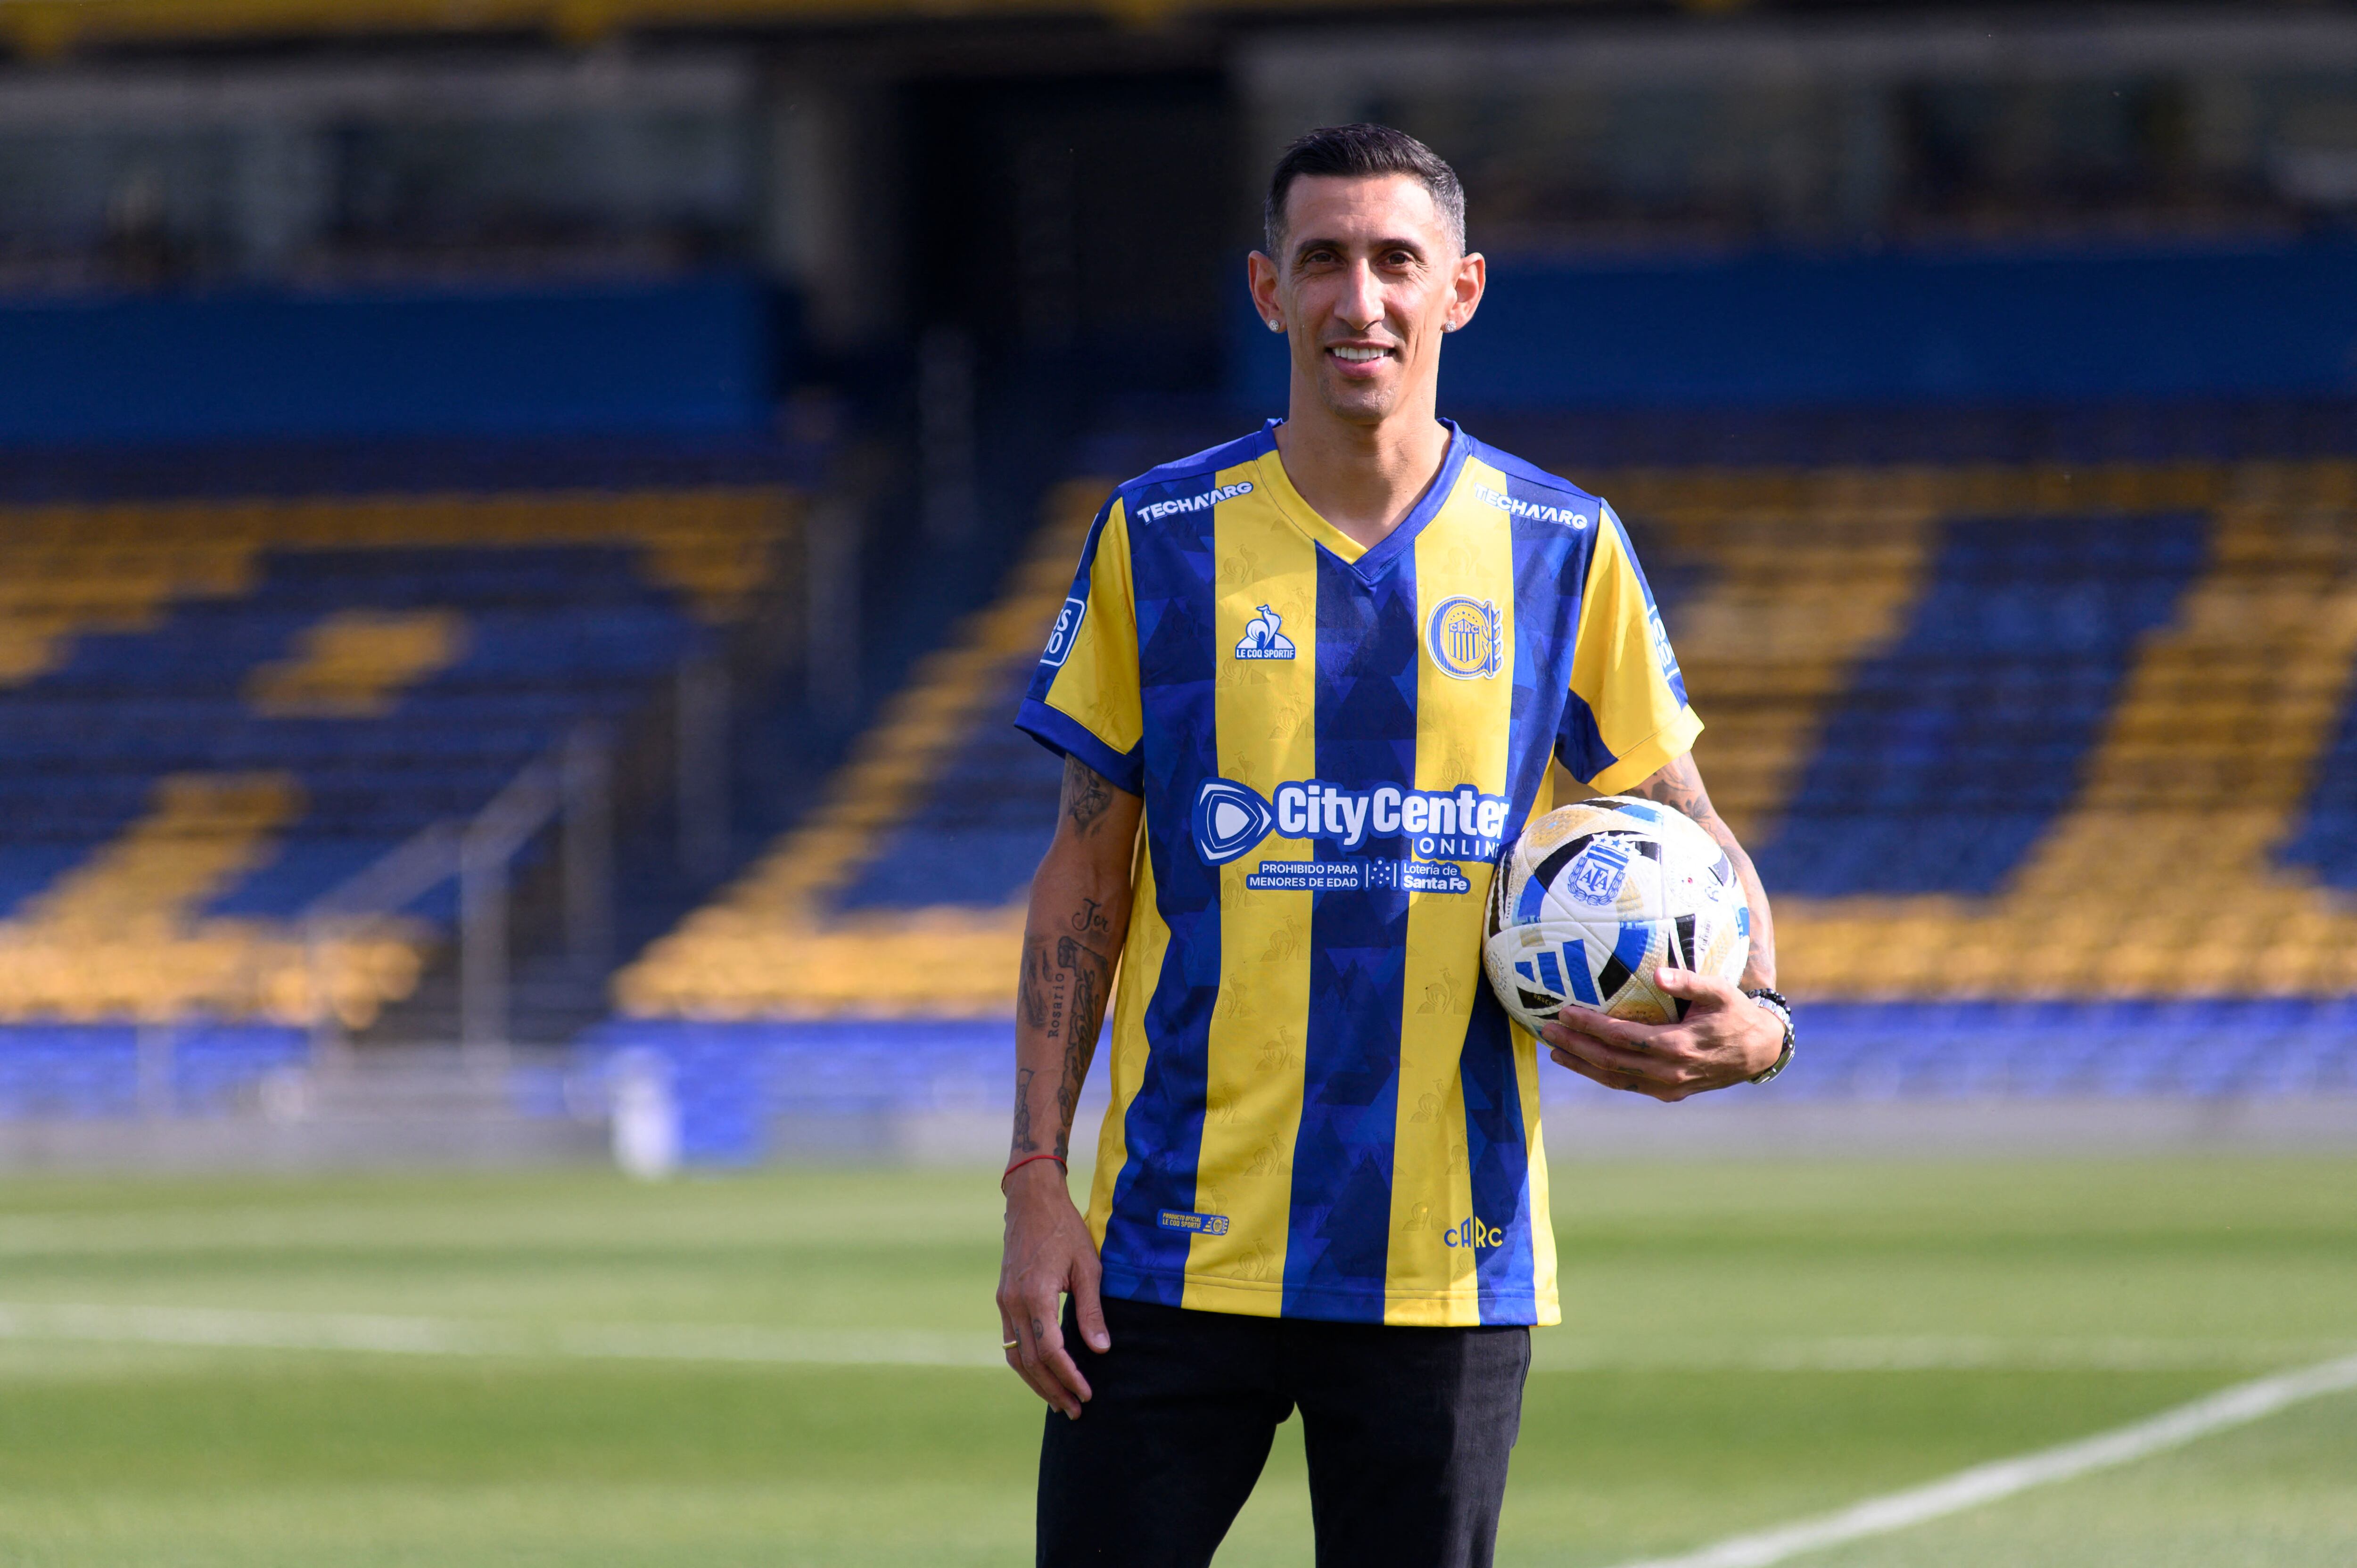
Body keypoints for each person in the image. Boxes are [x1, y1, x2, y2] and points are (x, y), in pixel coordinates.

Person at [997, 123, 1794, 1568]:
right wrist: (1036, 1179)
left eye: (1395, 262)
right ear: (1267, 289)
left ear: (1461, 290)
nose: (1359, 299)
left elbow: (1687, 820)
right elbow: (1080, 876)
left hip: (1445, 1265)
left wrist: (1765, 1022)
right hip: (1173, 1247)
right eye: (1324, 261)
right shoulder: (1157, 535)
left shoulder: (1563, 544)